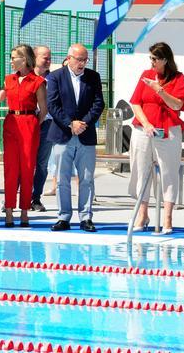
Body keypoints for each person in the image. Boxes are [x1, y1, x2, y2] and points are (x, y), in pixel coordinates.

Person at [127, 42, 184, 234]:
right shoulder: (145, 75)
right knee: (141, 170)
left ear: (165, 60)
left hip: (169, 130)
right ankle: (143, 214)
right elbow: (135, 103)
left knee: (168, 173)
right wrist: (146, 123)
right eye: (150, 58)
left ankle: (167, 218)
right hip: (144, 129)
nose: (152, 62)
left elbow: (178, 105)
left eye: (155, 59)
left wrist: (159, 89)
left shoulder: (177, 78)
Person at [46, 43, 104, 232]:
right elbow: (53, 105)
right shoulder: (55, 77)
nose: (82, 63)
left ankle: (86, 217)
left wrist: (83, 123)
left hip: (85, 135)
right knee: (62, 178)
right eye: (79, 59)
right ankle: (63, 217)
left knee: (86, 178)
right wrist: (71, 124)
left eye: (85, 59)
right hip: (63, 134)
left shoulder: (93, 77)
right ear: (69, 58)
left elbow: (98, 104)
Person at [0, 44, 48, 227]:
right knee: (11, 169)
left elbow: (44, 109)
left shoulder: (37, 82)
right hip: (11, 123)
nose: (11, 61)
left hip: (29, 123)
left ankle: (24, 211)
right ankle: (8, 210)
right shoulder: (9, 79)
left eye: (14, 57)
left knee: (28, 168)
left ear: (25, 59)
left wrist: (33, 123)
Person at [30, 45, 53, 212]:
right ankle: (11, 198)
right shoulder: (25, 77)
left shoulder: (55, 79)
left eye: (49, 57)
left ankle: (35, 198)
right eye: (45, 57)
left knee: (42, 164)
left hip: (47, 125)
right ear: (35, 58)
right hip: (27, 124)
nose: (48, 60)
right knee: (21, 162)